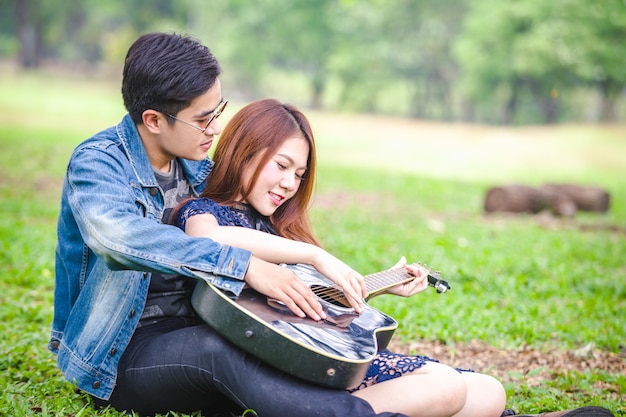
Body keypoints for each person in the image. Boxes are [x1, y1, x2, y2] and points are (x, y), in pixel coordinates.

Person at [171, 98, 615, 417]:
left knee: (486, 391)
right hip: (275, 368)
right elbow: (208, 241)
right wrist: (315, 255)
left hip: (304, 354)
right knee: (444, 388)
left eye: (300, 174)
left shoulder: (275, 225)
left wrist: (380, 283)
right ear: (245, 151)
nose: (290, 183)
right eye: (281, 165)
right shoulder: (204, 211)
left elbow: (297, 305)